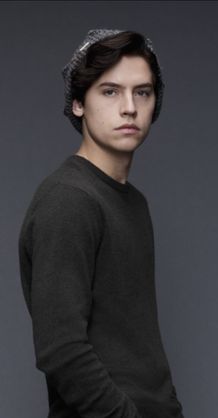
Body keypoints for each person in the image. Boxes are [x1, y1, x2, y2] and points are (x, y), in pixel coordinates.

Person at [18, 29, 185, 418]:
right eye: (110, 91)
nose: (129, 107)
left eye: (142, 92)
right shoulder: (69, 200)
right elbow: (61, 349)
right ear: (78, 103)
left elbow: (140, 344)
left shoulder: (133, 203)